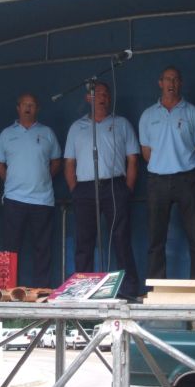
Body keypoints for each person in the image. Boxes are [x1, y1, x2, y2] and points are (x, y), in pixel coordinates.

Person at [64, 82, 140, 297]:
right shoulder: (76, 127)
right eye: (98, 94)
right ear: (88, 98)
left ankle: (128, 289)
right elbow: (69, 162)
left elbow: (133, 159)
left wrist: (127, 189)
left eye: (106, 94)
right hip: (85, 188)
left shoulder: (121, 124)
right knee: (84, 241)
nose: (103, 98)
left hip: (114, 185)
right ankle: (83, 290)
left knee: (121, 239)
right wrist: (75, 190)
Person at [139, 66, 195, 280]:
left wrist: (188, 171)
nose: (172, 83)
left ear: (181, 83)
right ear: (160, 83)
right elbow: (146, 152)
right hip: (157, 181)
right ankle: (156, 287)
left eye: (176, 79)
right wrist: (164, 165)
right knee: (155, 239)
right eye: (168, 79)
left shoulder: (193, 113)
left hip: (187, 179)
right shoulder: (148, 115)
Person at [0, 93, 62, 288]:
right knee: (11, 249)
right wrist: (12, 180)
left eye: (32, 105)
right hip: (14, 199)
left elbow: (56, 162)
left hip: (42, 200)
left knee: (43, 248)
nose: (28, 108)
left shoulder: (47, 133)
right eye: (24, 104)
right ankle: (8, 289)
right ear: (18, 108)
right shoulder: (7, 134)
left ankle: (41, 290)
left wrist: (42, 178)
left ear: (37, 108)